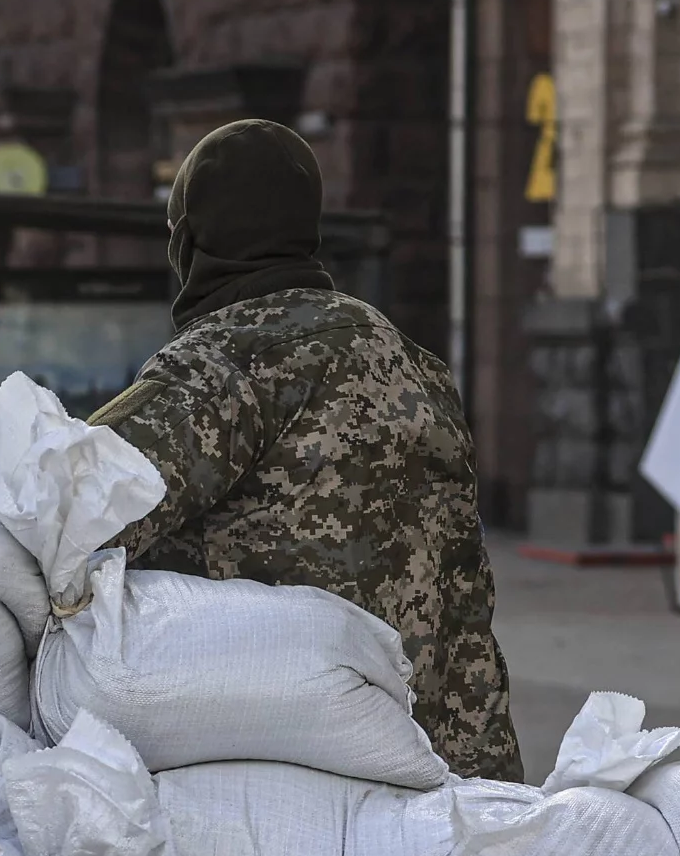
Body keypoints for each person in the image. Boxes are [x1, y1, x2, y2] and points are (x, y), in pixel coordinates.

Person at [89, 118, 523, 781]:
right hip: (440, 760)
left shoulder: (219, 363)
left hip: (298, 761)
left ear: (191, 239)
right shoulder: (413, 362)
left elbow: (79, 507)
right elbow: (465, 590)